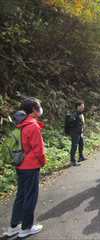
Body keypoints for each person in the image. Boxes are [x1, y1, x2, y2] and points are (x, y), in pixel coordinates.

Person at [4, 98, 46, 238]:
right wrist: (42, 162)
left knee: (21, 196)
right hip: (31, 166)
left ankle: (13, 227)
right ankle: (26, 228)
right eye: (39, 106)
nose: (40, 109)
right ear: (34, 109)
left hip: (20, 164)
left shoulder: (20, 124)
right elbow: (39, 150)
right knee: (30, 197)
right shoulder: (32, 125)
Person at [69, 101, 86, 167]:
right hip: (75, 133)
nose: (83, 108)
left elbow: (81, 123)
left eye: (83, 107)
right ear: (78, 107)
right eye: (82, 106)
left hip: (80, 132)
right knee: (74, 146)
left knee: (81, 144)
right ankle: (72, 161)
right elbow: (72, 123)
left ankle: (81, 157)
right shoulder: (74, 114)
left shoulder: (80, 113)